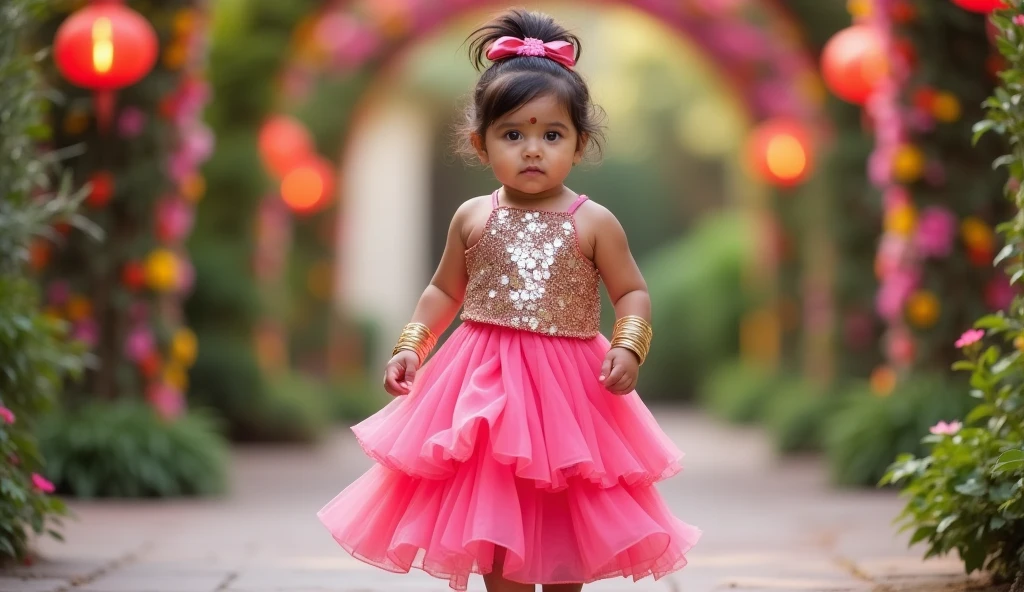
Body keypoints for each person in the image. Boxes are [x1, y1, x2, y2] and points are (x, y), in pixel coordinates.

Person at [318, 8, 701, 592]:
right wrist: (413, 345)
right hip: (482, 379)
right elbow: (445, 289)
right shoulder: (474, 216)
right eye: (513, 134)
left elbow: (632, 291)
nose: (532, 150)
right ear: (480, 143)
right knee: (494, 510)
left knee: (565, 517)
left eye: (552, 135)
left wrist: (629, 345)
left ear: (579, 144)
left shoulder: (592, 221)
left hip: (570, 389)